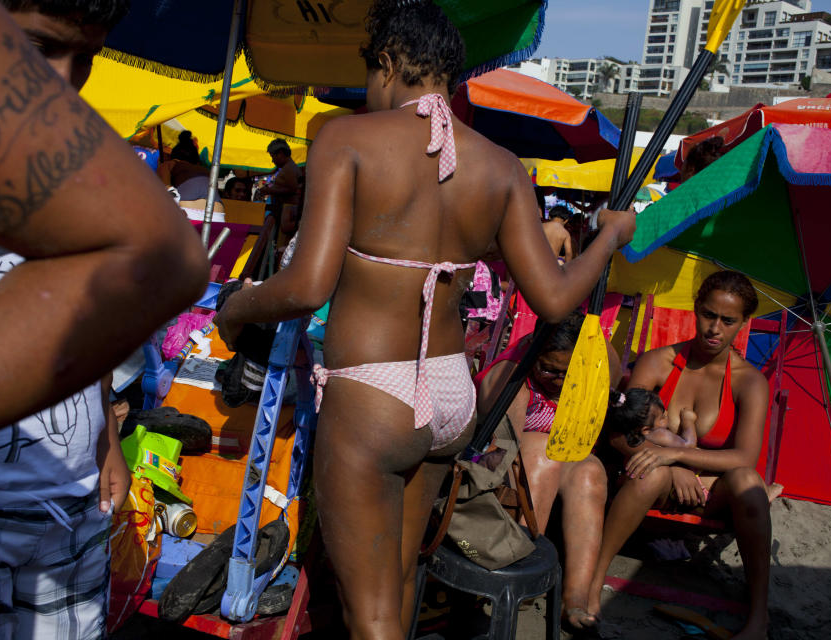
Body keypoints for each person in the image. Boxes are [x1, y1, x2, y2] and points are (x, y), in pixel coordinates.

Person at [214, 3, 635, 637]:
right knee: (404, 579)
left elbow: (305, 286)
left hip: (372, 398)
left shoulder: (346, 138)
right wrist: (608, 237)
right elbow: (553, 298)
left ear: (385, 63)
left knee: (369, 614)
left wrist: (235, 305)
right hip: (450, 394)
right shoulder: (501, 166)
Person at [0, 0, 208, 637]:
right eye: (35, 48)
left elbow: (82, 317)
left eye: (84, 59)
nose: (60, 82)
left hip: (67, 500)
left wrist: (107, 432)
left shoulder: (84, 164)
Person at [586, 271, 777, 640]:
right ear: (695, 309)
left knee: (750, 485)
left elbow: (745, 457)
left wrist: (674, 458)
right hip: (649, 479)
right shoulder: (659, 362)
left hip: (710, 491)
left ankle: (758, 617)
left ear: (744, 323)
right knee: (653, 473)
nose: (714, 329)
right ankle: (592, 586)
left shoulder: (749, 381)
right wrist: (667, 467)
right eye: (708, 314)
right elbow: (618, 431)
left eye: (728, 320)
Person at [475, 312, 621, 631]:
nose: (558, 380)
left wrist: (594, 343)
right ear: (533, 349)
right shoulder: (513, 377)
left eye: (568, 373)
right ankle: (520, 565)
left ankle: (576, 598)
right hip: (505, 468)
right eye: (549, 368)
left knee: (590, 471)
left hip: (555, 462)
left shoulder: (585, 370)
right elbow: (501, 452)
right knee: (542, 452)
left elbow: (613, 369)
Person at [606, 388, 698, 449]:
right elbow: (688, 445)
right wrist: (688, 421)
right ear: (646, 429)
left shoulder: (628, 431)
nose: (667, 413)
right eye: (662, 417)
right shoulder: (657, 434)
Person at [157, 130, 225, 212]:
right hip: (217, 210)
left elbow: (167, 191)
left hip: (187, 209)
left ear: (173, 155)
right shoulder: (205, 170)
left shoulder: (169, 165)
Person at [258, 138, 302, 214]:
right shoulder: (289, 167)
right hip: (284, 211)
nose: (272, 160)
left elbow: (293, 190)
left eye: (273, 156)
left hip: (287, 212)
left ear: (280, 153)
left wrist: (269, 190)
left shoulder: (289, 169)